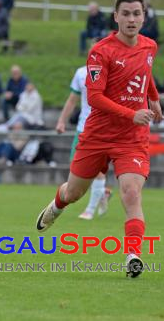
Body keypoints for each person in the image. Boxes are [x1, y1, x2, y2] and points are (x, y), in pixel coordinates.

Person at [34, 0, 163, 278]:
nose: (132, 19)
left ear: (144, 16)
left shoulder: (150, 46)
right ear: (116, 17)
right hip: (97, 136)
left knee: (131, 193)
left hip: (132, 138)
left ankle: (133, 255)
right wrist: (132, 112)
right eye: (126, 14)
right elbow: (94, 98)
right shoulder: (101, 51)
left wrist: (153, 98)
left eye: (137, 13)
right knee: (74, 192)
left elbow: (145, 73)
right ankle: (57, 205)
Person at [55, 65, 110, 221]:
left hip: (102, 129)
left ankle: (90, 210)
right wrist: (61, 121)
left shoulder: (113, 70)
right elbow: (72, 99)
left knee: (97, 170)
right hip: (83, 128)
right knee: (76, 169)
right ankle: (102, 193)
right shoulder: (81, 72)